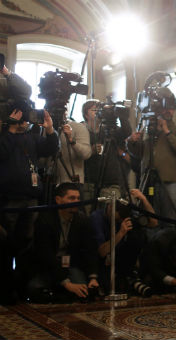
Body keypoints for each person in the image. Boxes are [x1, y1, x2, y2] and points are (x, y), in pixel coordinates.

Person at [0, 65, 59, 304]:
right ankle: (5, 290)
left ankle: (22, 288)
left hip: (30, 199)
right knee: (6, 247)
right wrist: (7, 128)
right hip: (9, 199)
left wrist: (50, 130)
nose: (25, 120)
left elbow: (49, 149)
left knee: (26, 247)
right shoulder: (6, 136)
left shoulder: (31, 137)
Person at [127, 87, 176, 232]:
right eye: (166, 109)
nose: (170, 112)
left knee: (170, 220)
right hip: (149, 179)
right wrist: (131, 142)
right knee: (149, 219)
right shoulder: (148, 124)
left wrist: (167, 132)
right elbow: (138, 153)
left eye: (172, 109)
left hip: (170, 181)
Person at [26, 183, 99, 301]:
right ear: (58, 200)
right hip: (47, 265)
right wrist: (66, 284)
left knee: (84, 291)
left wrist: (93, 277)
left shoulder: (82, 220)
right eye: (71, 198)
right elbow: (45, 254)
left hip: (70, 265)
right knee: (35, 289)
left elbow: (90, 250)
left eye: (78, 198)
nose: (76, 201)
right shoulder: (45, 219)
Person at [91, 188, 158, 293]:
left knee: (138, 234)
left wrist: (143, 199)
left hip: (122, 257)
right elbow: (102, 252)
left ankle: (132, 277)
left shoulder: (125, 214)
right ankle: (126, 279)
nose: (119, 221)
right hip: (102, 262)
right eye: (117, 219)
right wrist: (121, 233)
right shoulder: (97, 218)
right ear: (110, 208)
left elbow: (153, 223)